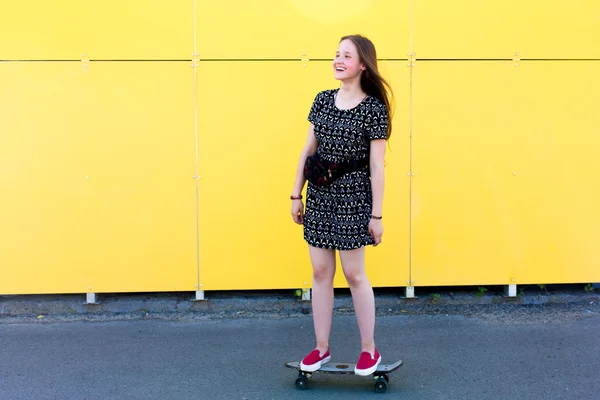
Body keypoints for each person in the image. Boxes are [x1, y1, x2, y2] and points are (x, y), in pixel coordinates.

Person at [290, 34, 394, 376]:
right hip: (319, 194)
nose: (338, 60)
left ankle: (369, 350)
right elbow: (308, 150)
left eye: (346, 55)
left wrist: (376, 215)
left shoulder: (374, 110)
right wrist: (296, 194)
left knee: (354, 274)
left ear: (362, 64)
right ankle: (321, 348)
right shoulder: (321, 100)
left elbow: (377, 166)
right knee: (320, 273)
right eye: (336, 54)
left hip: (353, 197)